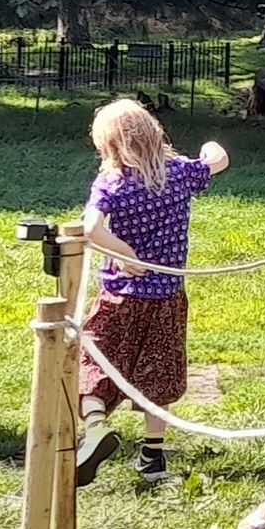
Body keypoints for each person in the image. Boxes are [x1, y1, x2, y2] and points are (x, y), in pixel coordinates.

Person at [74, 99, 228, 486]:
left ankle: (95, 426)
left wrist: (122, 252)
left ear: (108, 145)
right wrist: (209, 147)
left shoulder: (113, 182)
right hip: (167, 295)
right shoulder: (180, 173)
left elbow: (90, 227)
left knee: (94, 357)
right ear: (154, 134)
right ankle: (152, 457)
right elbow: (218, 159)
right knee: (158, 372)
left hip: (120, 295)